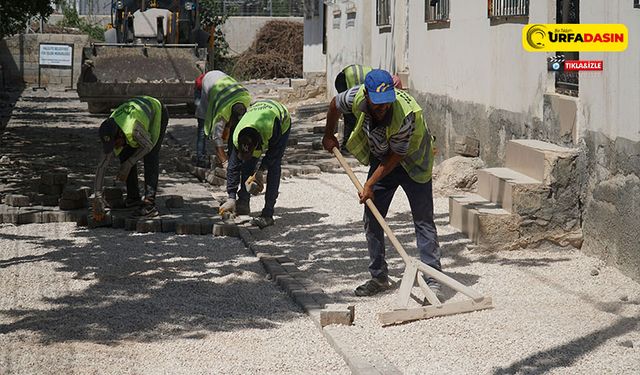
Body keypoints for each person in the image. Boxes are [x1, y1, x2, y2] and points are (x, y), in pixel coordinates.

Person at [322, 69, 442, 298]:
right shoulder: (355, 96)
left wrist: (369, 184)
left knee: (423, 220)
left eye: (387, 103)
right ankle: (378, 277)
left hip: (414, 161)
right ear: (366, 95)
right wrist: (328, 134)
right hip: (383, 156)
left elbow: (396, 156)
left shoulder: (405, 113)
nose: (383, 108)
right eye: (378, 105)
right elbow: (334, 104)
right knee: (372, 216)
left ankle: (433, 280)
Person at [93, 96, 169, 219]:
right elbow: (102, 164)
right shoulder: (110, 128)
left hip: (156, 111)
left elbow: (148, 146)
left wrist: (129, 164)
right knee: (124, 154)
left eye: (115, 142)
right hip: (135, 115)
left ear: (120, 134)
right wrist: (97, 195)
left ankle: (149, 205)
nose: (114, 146)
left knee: (151, 156)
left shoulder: (134, 129)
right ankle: (133, 199)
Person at [219, 100, 291, 229]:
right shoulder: (237, 135)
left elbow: (274, 153)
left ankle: (268, 214)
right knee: (247, 165)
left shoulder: (271, 127)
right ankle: (243, 203)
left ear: (258, 144)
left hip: (280, 120)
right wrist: (231, 196)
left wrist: (261, 170)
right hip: (256, 119)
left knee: (274, 166)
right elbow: (233, 167)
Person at [197, 70, 252, 169]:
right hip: (209, 83)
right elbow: (216, 137)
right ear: (230, 116)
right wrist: (224, 161)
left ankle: (232, 156)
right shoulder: (222, 113)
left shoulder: (244, 99)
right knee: (203, 121)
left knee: (233, 131)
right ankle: (200, 158)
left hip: (222, 80)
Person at [334, 64, 372, 150]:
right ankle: (347, 144)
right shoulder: (375, 82)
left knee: (357, 114)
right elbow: (336, 103)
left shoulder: (375, 80)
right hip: (344, 79)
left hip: (347, 75)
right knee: (349, 115)